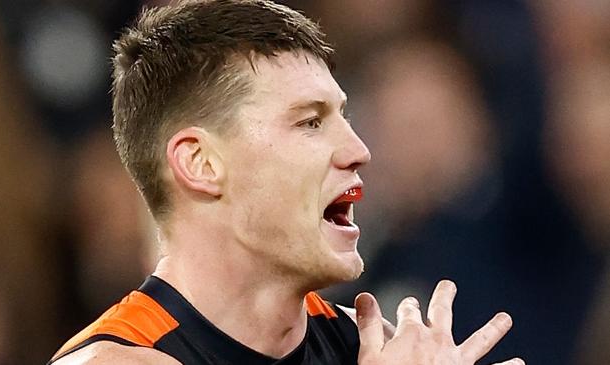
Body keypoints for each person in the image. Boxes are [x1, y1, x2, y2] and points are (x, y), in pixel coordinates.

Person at [49, 1, 523, 364]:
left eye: (345, 115)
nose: (359, 150)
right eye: (310, 122)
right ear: (201, 163)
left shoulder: (376, 349)